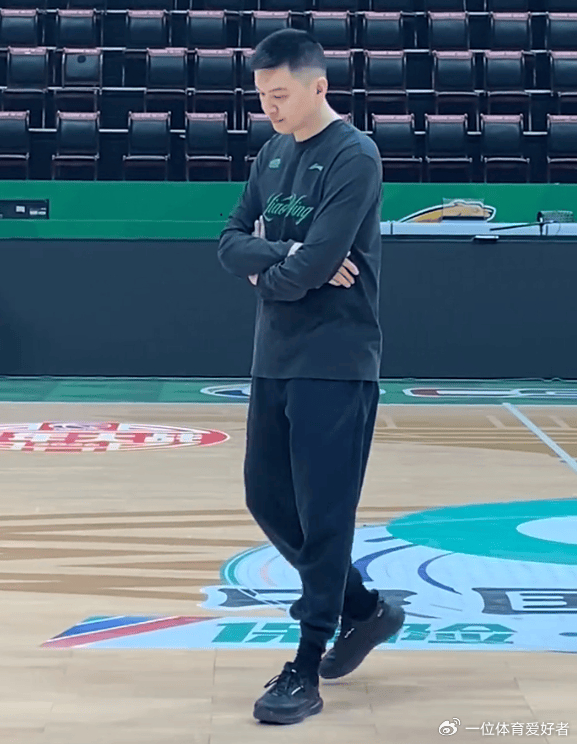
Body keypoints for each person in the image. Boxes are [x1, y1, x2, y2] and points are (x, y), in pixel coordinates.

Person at [217, 29, 404, 726]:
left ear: (317, 86)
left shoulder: (354, 155)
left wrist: (271, 265)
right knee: (266, 499)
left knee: (325, 517)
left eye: (279, 94)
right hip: (274, 356)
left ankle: (305, 662)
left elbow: (316, 260)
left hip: (336, 361)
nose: (268, 107)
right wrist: (284, 259)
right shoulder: (270, 155)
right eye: (262, 95)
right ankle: (363, 607)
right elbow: (228, 242)